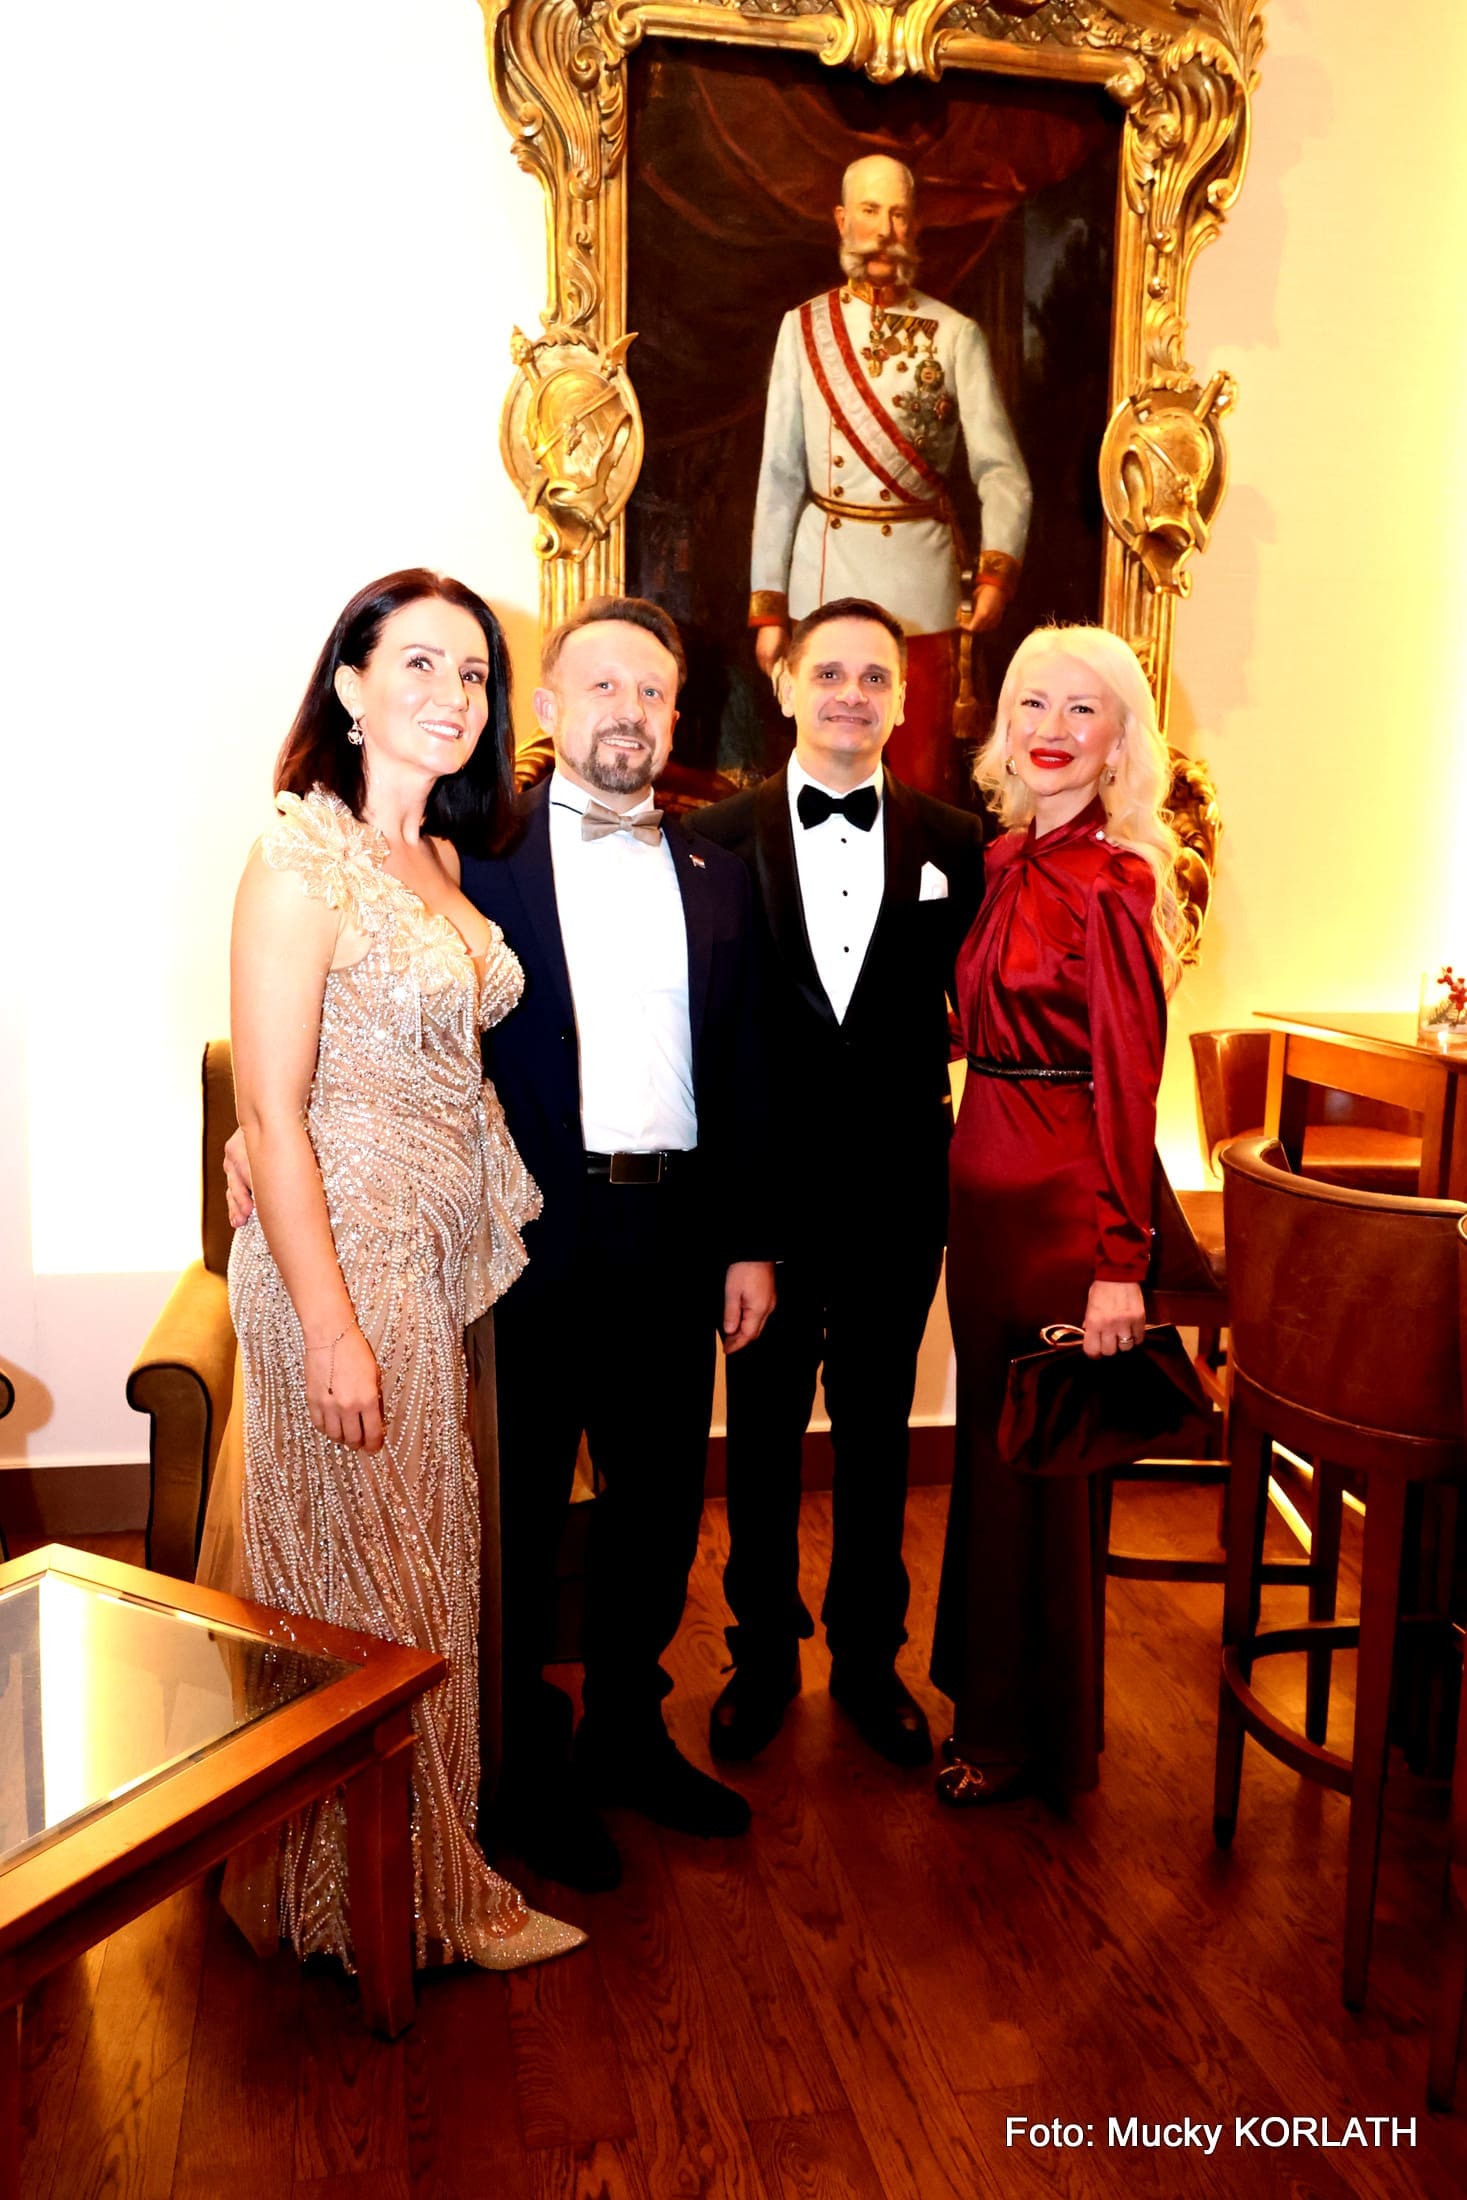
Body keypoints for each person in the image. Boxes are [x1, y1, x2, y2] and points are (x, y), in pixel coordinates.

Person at [205, 569, 583, 1970]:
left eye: (473, 674)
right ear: (350, 685)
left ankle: (394, 1888)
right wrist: (328, 1327)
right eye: (418, 663)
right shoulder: (299, 853)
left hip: (428, 1255)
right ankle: (402, 1908)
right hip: (345, 1257)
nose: (452, 694)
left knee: (415, 1582)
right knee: (375, 1592)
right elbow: (270, 1107)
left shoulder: (442, 862)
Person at [459, 597, 778, 1893]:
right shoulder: (474, 859)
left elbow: (744, 1069)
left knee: (655, 1502)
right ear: (547, 708)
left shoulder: (717, 870)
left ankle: (627, 1734)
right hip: (531, 1228)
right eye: (600, 687)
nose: (627, 712)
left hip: (675, 1228)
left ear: (674, 714)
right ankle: (526, 1763)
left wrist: (748, 1243)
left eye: (649, 692)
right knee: (525, 1507)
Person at [695, 597, 986, 1767]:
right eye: (829, 673)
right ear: (786, 686)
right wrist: (735, 1224)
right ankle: (761, 1658)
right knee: (761, 1438)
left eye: (874, 676)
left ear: (903, 700)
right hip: (764, 1201)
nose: (851, 694)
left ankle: (870, 1662)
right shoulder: (713, 838)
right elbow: (704, 1038)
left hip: (899, 1194)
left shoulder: (960, 842)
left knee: (878, 1434)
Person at [931, 623, 1186, 1806]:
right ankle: (989, 1703)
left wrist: (1119, 1262)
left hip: (1058, 1206)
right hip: (979, 1192)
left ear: (1120, 741)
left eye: (1083, 710)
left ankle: (1026, 1736)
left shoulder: (1114, 885)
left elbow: (1130, 1083)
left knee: (1042, 1462)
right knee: (992, 1457)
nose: (1052, 729)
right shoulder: (1000, 861)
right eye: (1033, 703)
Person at [749, 155, 1031, 795]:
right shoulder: (802, 328)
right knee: (824, 765)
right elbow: (779, 476)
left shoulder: (956, 335)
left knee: (917, 772)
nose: (884, 231)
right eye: (870, 212)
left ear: (915, 226)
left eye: (899, 215)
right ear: (842, 220)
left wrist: (996, 571)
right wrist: (769, 607)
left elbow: (1001, 470)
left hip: (919, 588)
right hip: (824, 578)